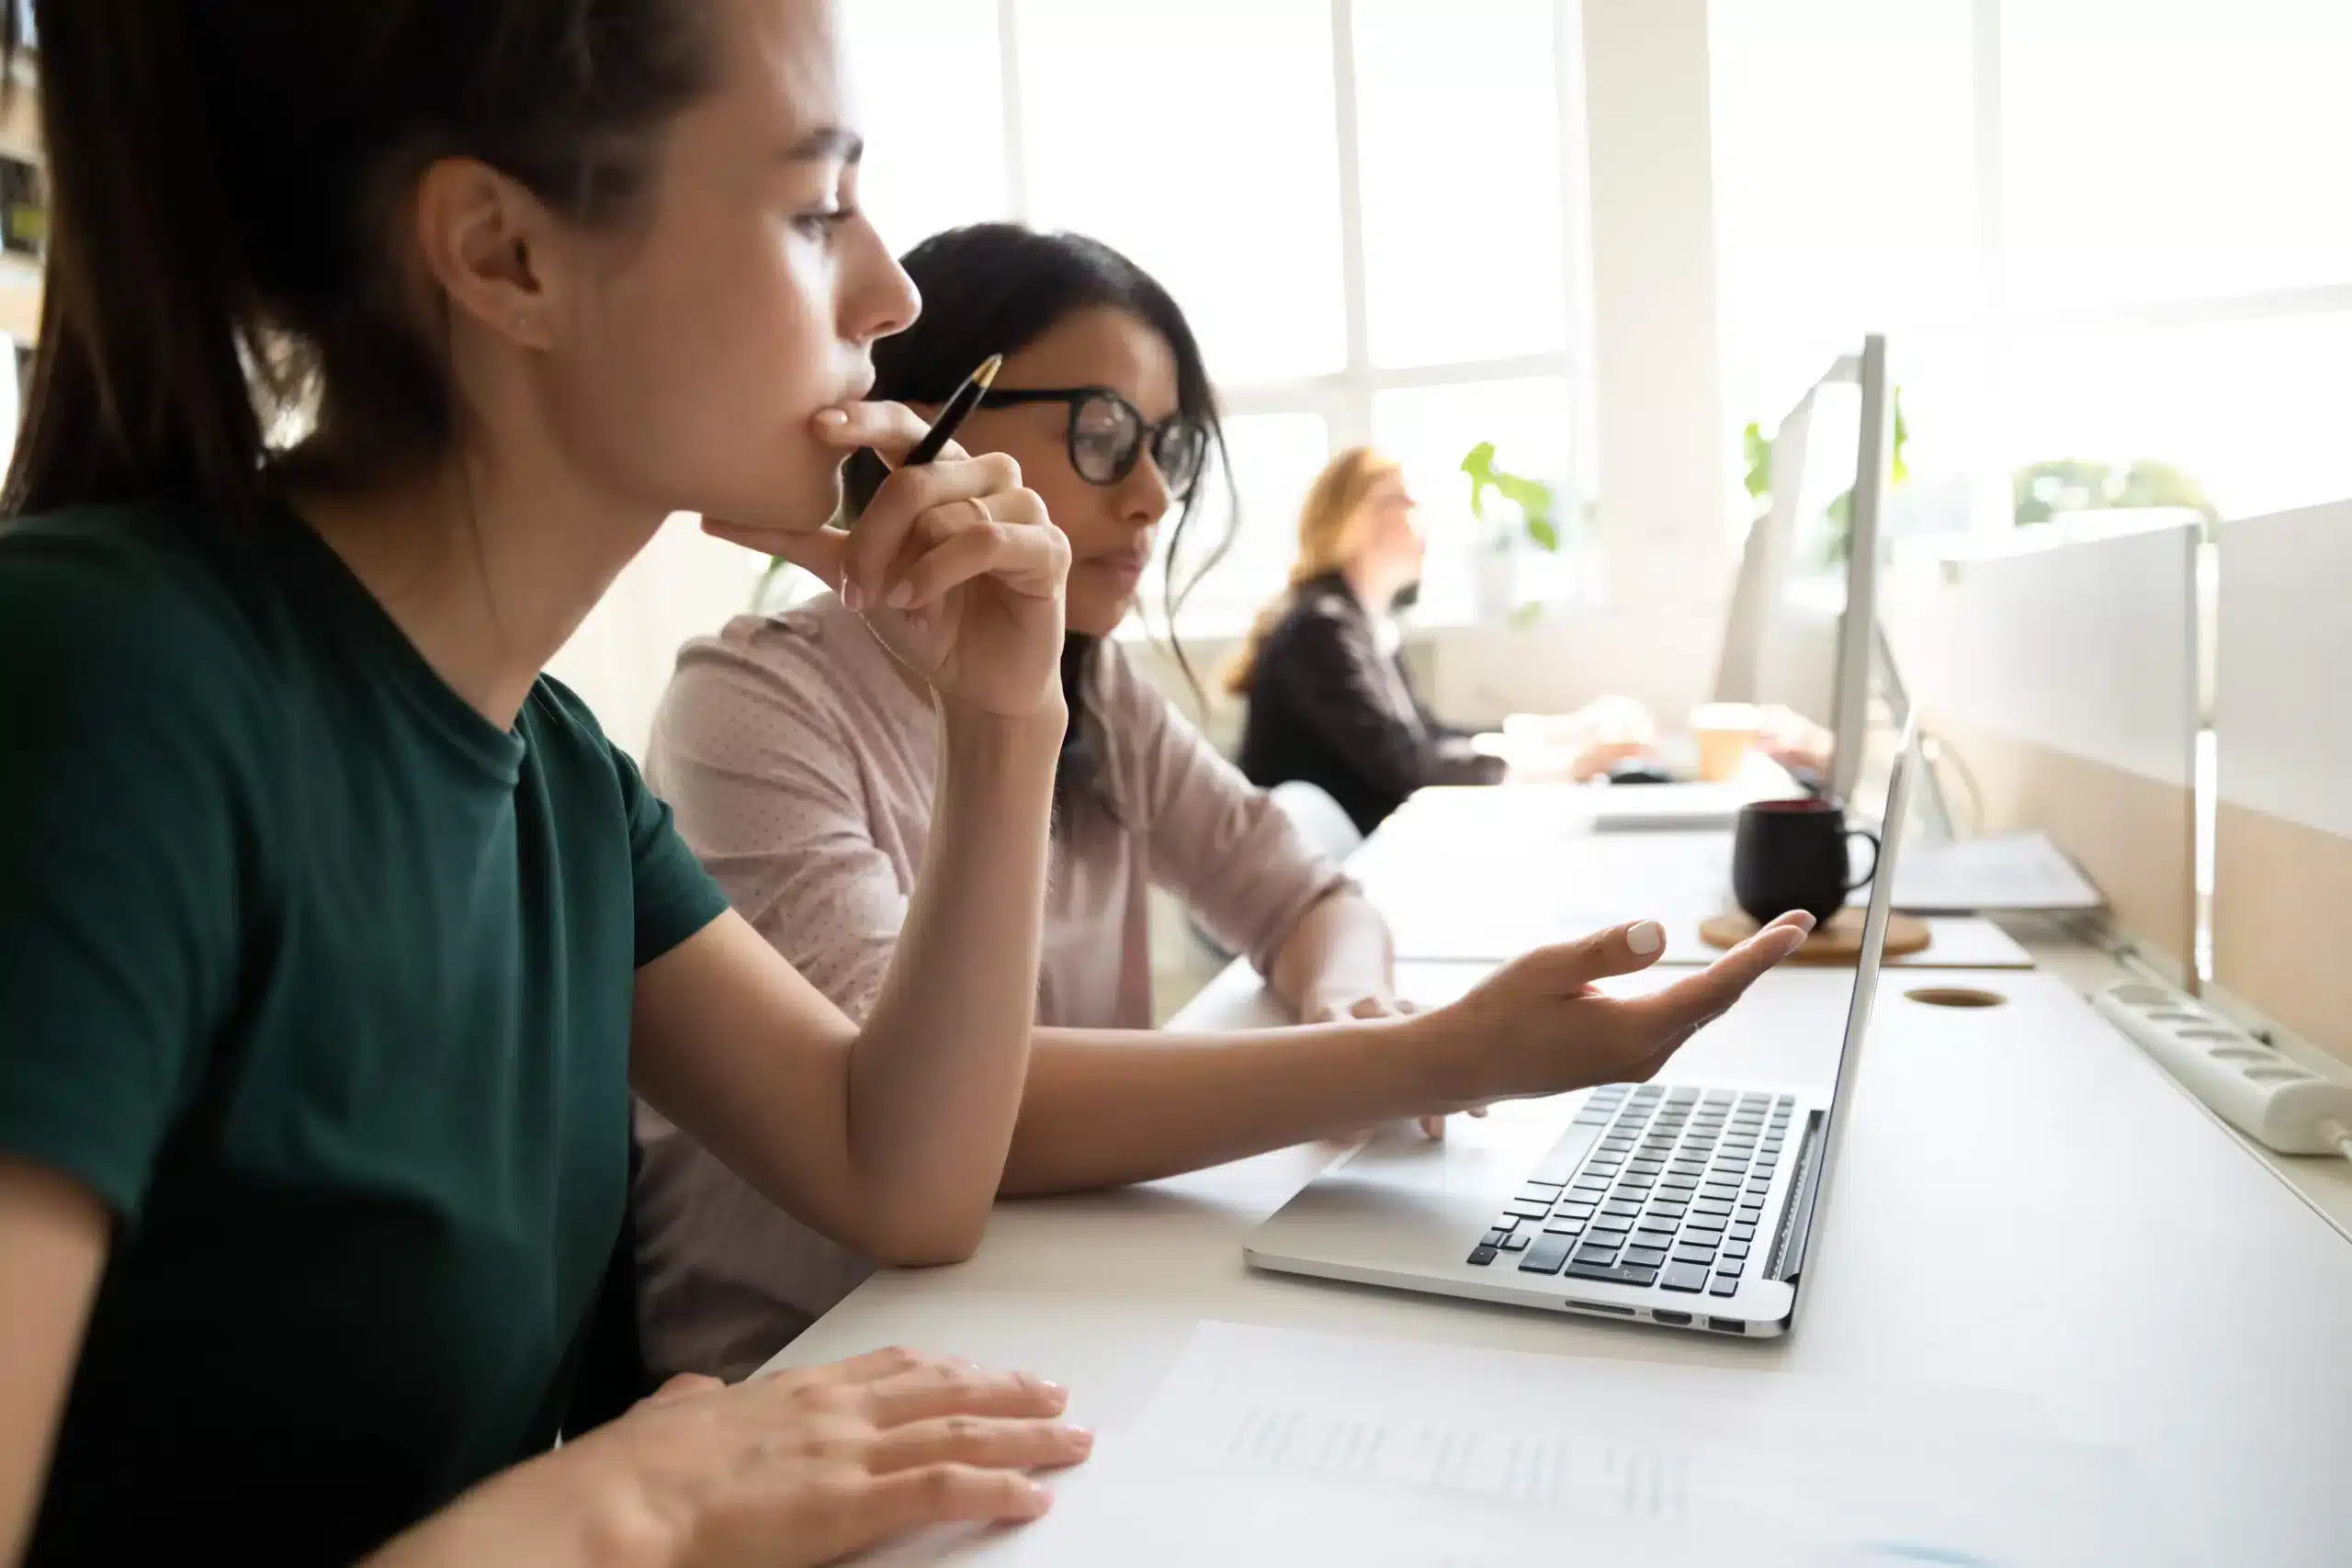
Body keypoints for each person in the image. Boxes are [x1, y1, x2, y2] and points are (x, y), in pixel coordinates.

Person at [0, 5, 1811, 1566]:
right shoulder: (107, 687)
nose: (886, 294)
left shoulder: (552, 779)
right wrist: (604, 1515)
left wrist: (1006, 709)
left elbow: (905, 1169)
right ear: (505, 257)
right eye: (813, 208)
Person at [629, 223, 1809, 1384]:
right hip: (797, 1366)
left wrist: (1345, 990)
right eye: (1102, 434)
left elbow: (1303, 894)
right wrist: (1426, 1057)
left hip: (1026, 1303)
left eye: (1171, 449)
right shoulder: (755, 704)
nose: (1151, 497)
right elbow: (936, 1124)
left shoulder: (1095, 690)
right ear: (930, 422)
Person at [1228, 447, 1647, 835]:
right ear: (1355, 518)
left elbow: (1428, 737)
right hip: (1337, 870)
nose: (1422, 518)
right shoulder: (1321, 628)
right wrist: (1567, 763)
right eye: (1406, 502)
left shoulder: (1361, 621)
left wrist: (1562, 732)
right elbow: (1407, 765)